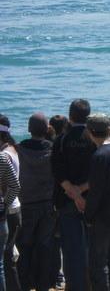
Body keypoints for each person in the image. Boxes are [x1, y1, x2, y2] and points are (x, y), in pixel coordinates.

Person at [51, 98, 96, 291]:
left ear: (70, 116)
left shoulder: (61, 140)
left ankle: (74, 286)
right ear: (88, 117)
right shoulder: (93, 139)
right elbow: (98, 173)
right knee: (91, 248)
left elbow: (57, 172)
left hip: (66, 199)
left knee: (70, 249)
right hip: (90, 200)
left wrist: (74, 194)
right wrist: (81, 192)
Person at [83, 113, 110, 291]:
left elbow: (96, 192)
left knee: (97, 265)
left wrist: (88, 215)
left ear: (90, 132)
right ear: (108, 130)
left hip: (101, 217)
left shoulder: (99, 156)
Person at [16, 113, 55, 291]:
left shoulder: (19, 149)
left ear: (29, 129)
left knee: (24, 246)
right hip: (47, 203)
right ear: (46, 129)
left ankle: (24, 284)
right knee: (44, 246)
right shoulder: (52, 150)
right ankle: (43, 285)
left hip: (26, 204)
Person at [0, 115, 21, 291]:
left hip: (9, 210)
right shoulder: (12, 150)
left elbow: (13, 186)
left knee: (7, 260)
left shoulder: (4, 155)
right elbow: (15, 185)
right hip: (11, 208)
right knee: (7, 259)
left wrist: (4, 205)